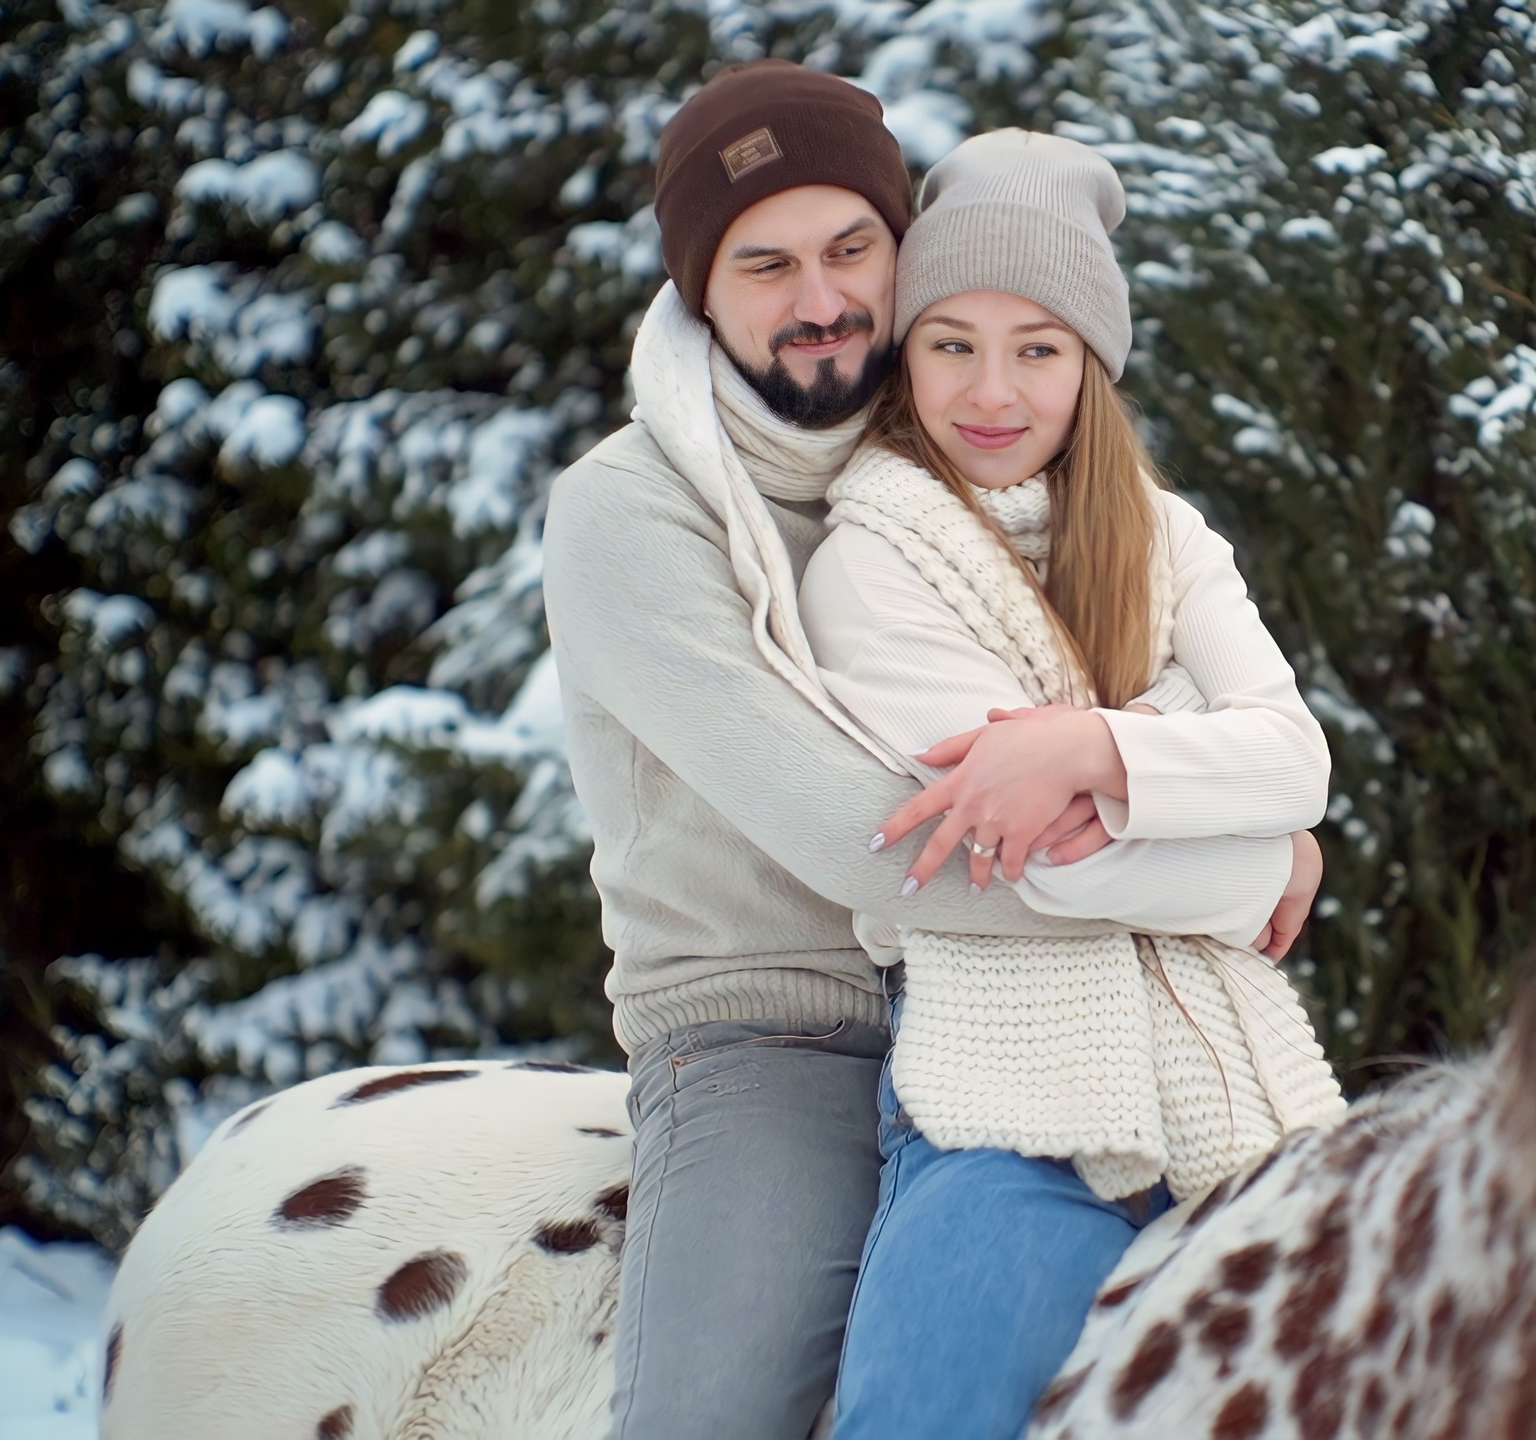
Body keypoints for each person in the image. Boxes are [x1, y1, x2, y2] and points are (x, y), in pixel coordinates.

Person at [539, 66, 1313, 1440]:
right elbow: (877, 840)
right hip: (777, 1022)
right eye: (764, 265)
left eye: (851, 250)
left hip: (1059, 991)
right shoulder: (631, 515)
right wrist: (1250, 871)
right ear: (699, 292)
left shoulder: (1011, 472)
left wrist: (1146, 770)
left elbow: (1242, 717)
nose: (820, 298)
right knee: (714, 1418)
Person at [800, 129, 1350, 1440]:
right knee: (927, 1416)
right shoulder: (871, 566)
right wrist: (1268, 860)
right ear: (905, 355)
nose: (992, 390)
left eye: (1037, 348)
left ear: (1089, 366)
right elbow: (1037, 863)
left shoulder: (1163, 535)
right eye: (951, 343)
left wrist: (1089, 750)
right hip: (1010, 1096)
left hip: (1228, 1091)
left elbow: (1296, 755)